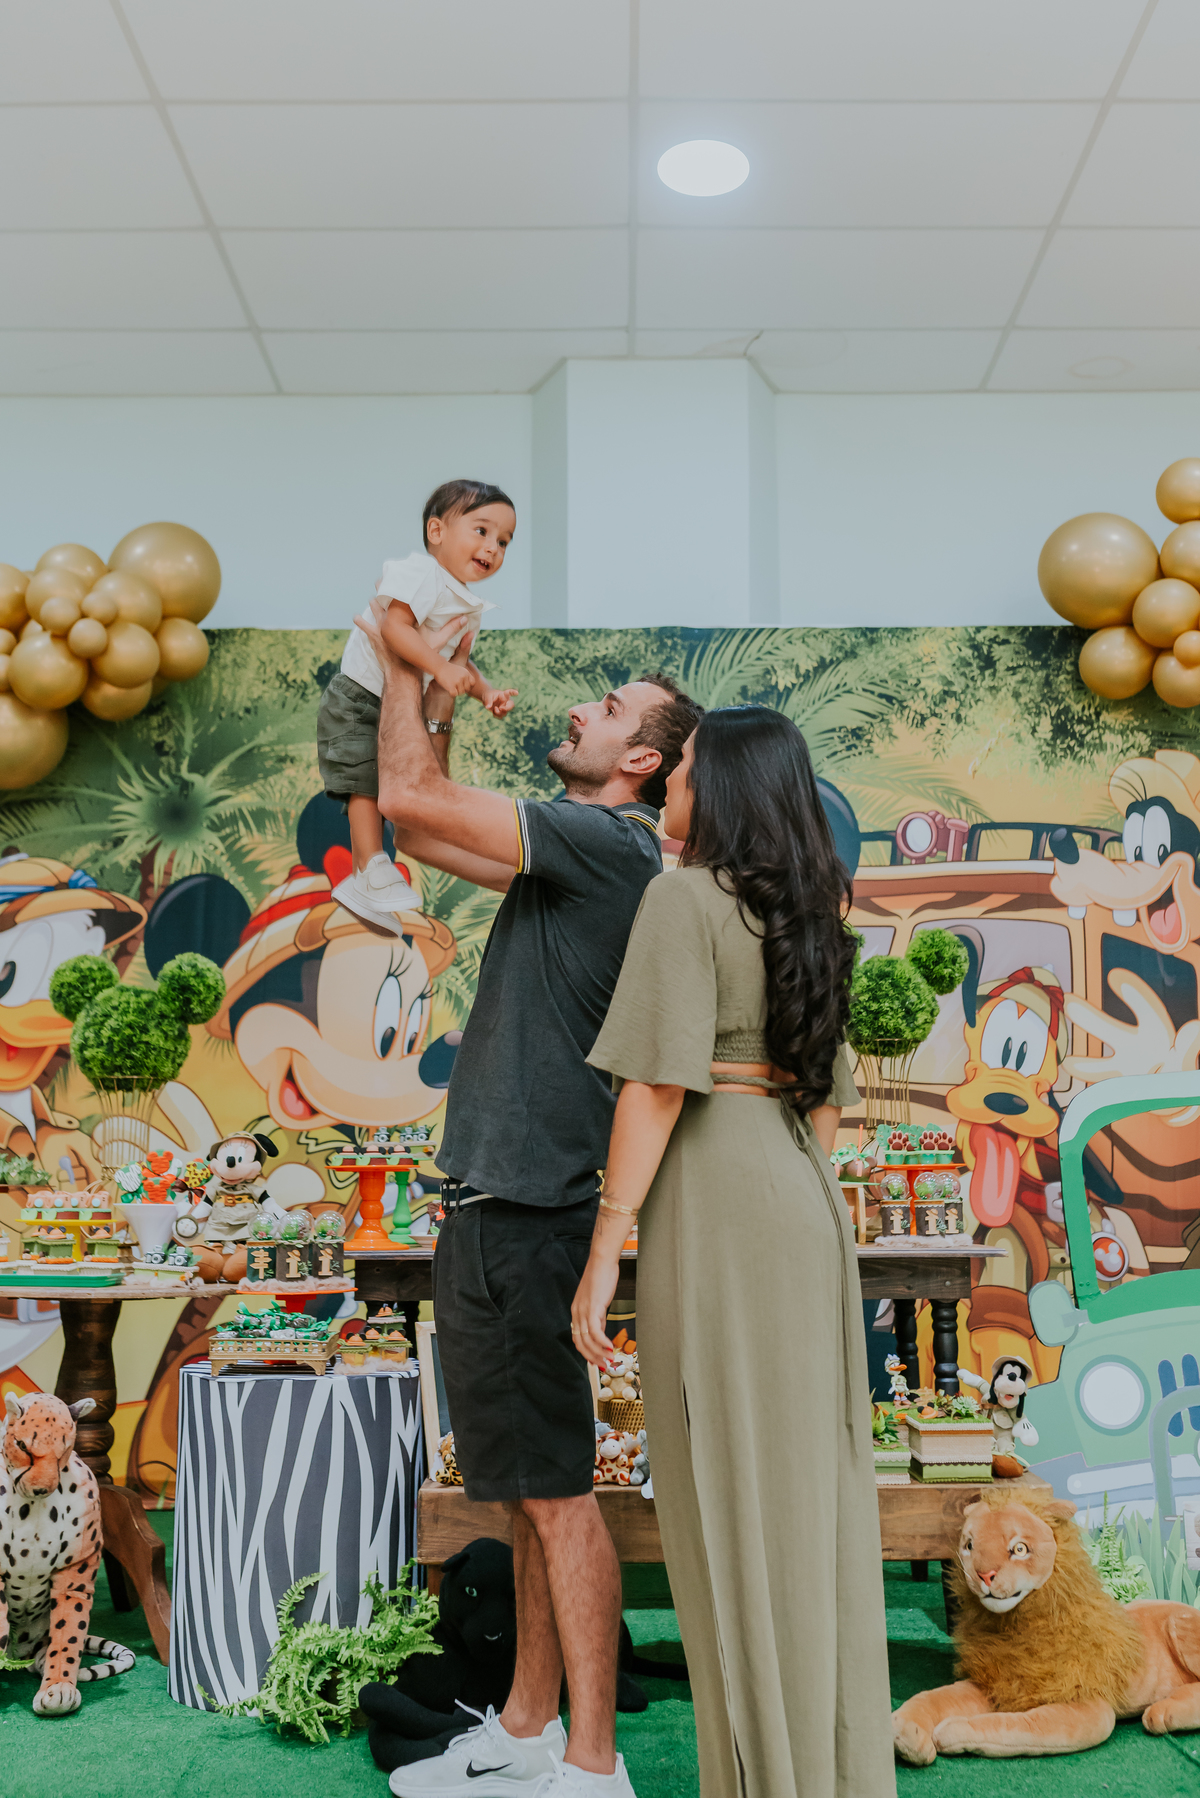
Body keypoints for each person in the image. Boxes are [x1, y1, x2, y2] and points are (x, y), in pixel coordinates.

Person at [357, 592, 702, 1798]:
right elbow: (421, 828)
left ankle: (594, 1767)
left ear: (641, 761)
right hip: (494, 1204)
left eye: (606, 709)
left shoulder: (611, 845)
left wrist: (404, 652)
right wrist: (436, 688)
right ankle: (524, 1726)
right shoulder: (569, 860)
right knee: (523, 1493)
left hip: (530, 1211)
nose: (579, 711)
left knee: (558, 1499)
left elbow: (403, 793)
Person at [573, 707, 896, 1798]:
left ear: (723, 789)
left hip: (714, 1202)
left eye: (684, 770)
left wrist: (606, 1249)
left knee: (723, 1496)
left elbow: (656, 1089)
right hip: (802, 1200)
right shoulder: (811, 910)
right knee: (807, 1496)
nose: (668, 782)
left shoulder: (682, 898)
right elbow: (826, 1107)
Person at [316, 478, 519, 933]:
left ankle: (365, 882)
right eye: (482, 530)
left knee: (389, 785)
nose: (493, 547)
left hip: (396, 706)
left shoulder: (465, 601)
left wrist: (485, 691)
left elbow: (458, 660)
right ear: (436, 531)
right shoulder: (420, 573)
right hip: (360, 695)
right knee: (364, 782)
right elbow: (395, 628)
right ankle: (371, 864)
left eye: (504, 541)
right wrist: (440, 669)